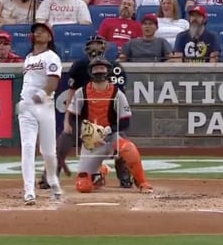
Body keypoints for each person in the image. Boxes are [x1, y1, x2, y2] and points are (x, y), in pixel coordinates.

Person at [38, 35, 133, 190]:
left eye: (98, 44)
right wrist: (67, 121)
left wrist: (112, 128)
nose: (95, 48)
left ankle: (125, 177)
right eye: (92, 45)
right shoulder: (79, 65)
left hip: (108, 122)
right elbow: (71, 93)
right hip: (83, 121)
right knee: (62, 142)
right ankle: (49, 176)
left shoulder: (117, 68)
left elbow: (119, 102)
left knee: (123, 144)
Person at [66, 58, 153, 194]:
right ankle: (100, 172)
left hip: (111, 137)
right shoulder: (80, 93)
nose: (99, 71)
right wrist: (84, 132)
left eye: (102, 68)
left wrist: (108, 130)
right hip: (91, 142)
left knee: (128, 148)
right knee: (84, 187)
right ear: (90, 71)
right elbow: (72, 117)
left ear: (108, 71)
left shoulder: (117, 94)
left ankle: (142, 182)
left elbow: (125, 121)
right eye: (96, 68)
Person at [19, 23, 64, 205]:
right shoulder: (28, 58)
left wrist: (38, 98)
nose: (38, 33)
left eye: (43, 31)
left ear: (49, 37)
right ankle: (29, 191)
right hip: (26, 107)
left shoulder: (51, 57)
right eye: (36, 31)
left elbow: (52, 83)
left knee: (48, 151)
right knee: (27, 147)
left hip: (43, 105)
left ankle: (53, 184)